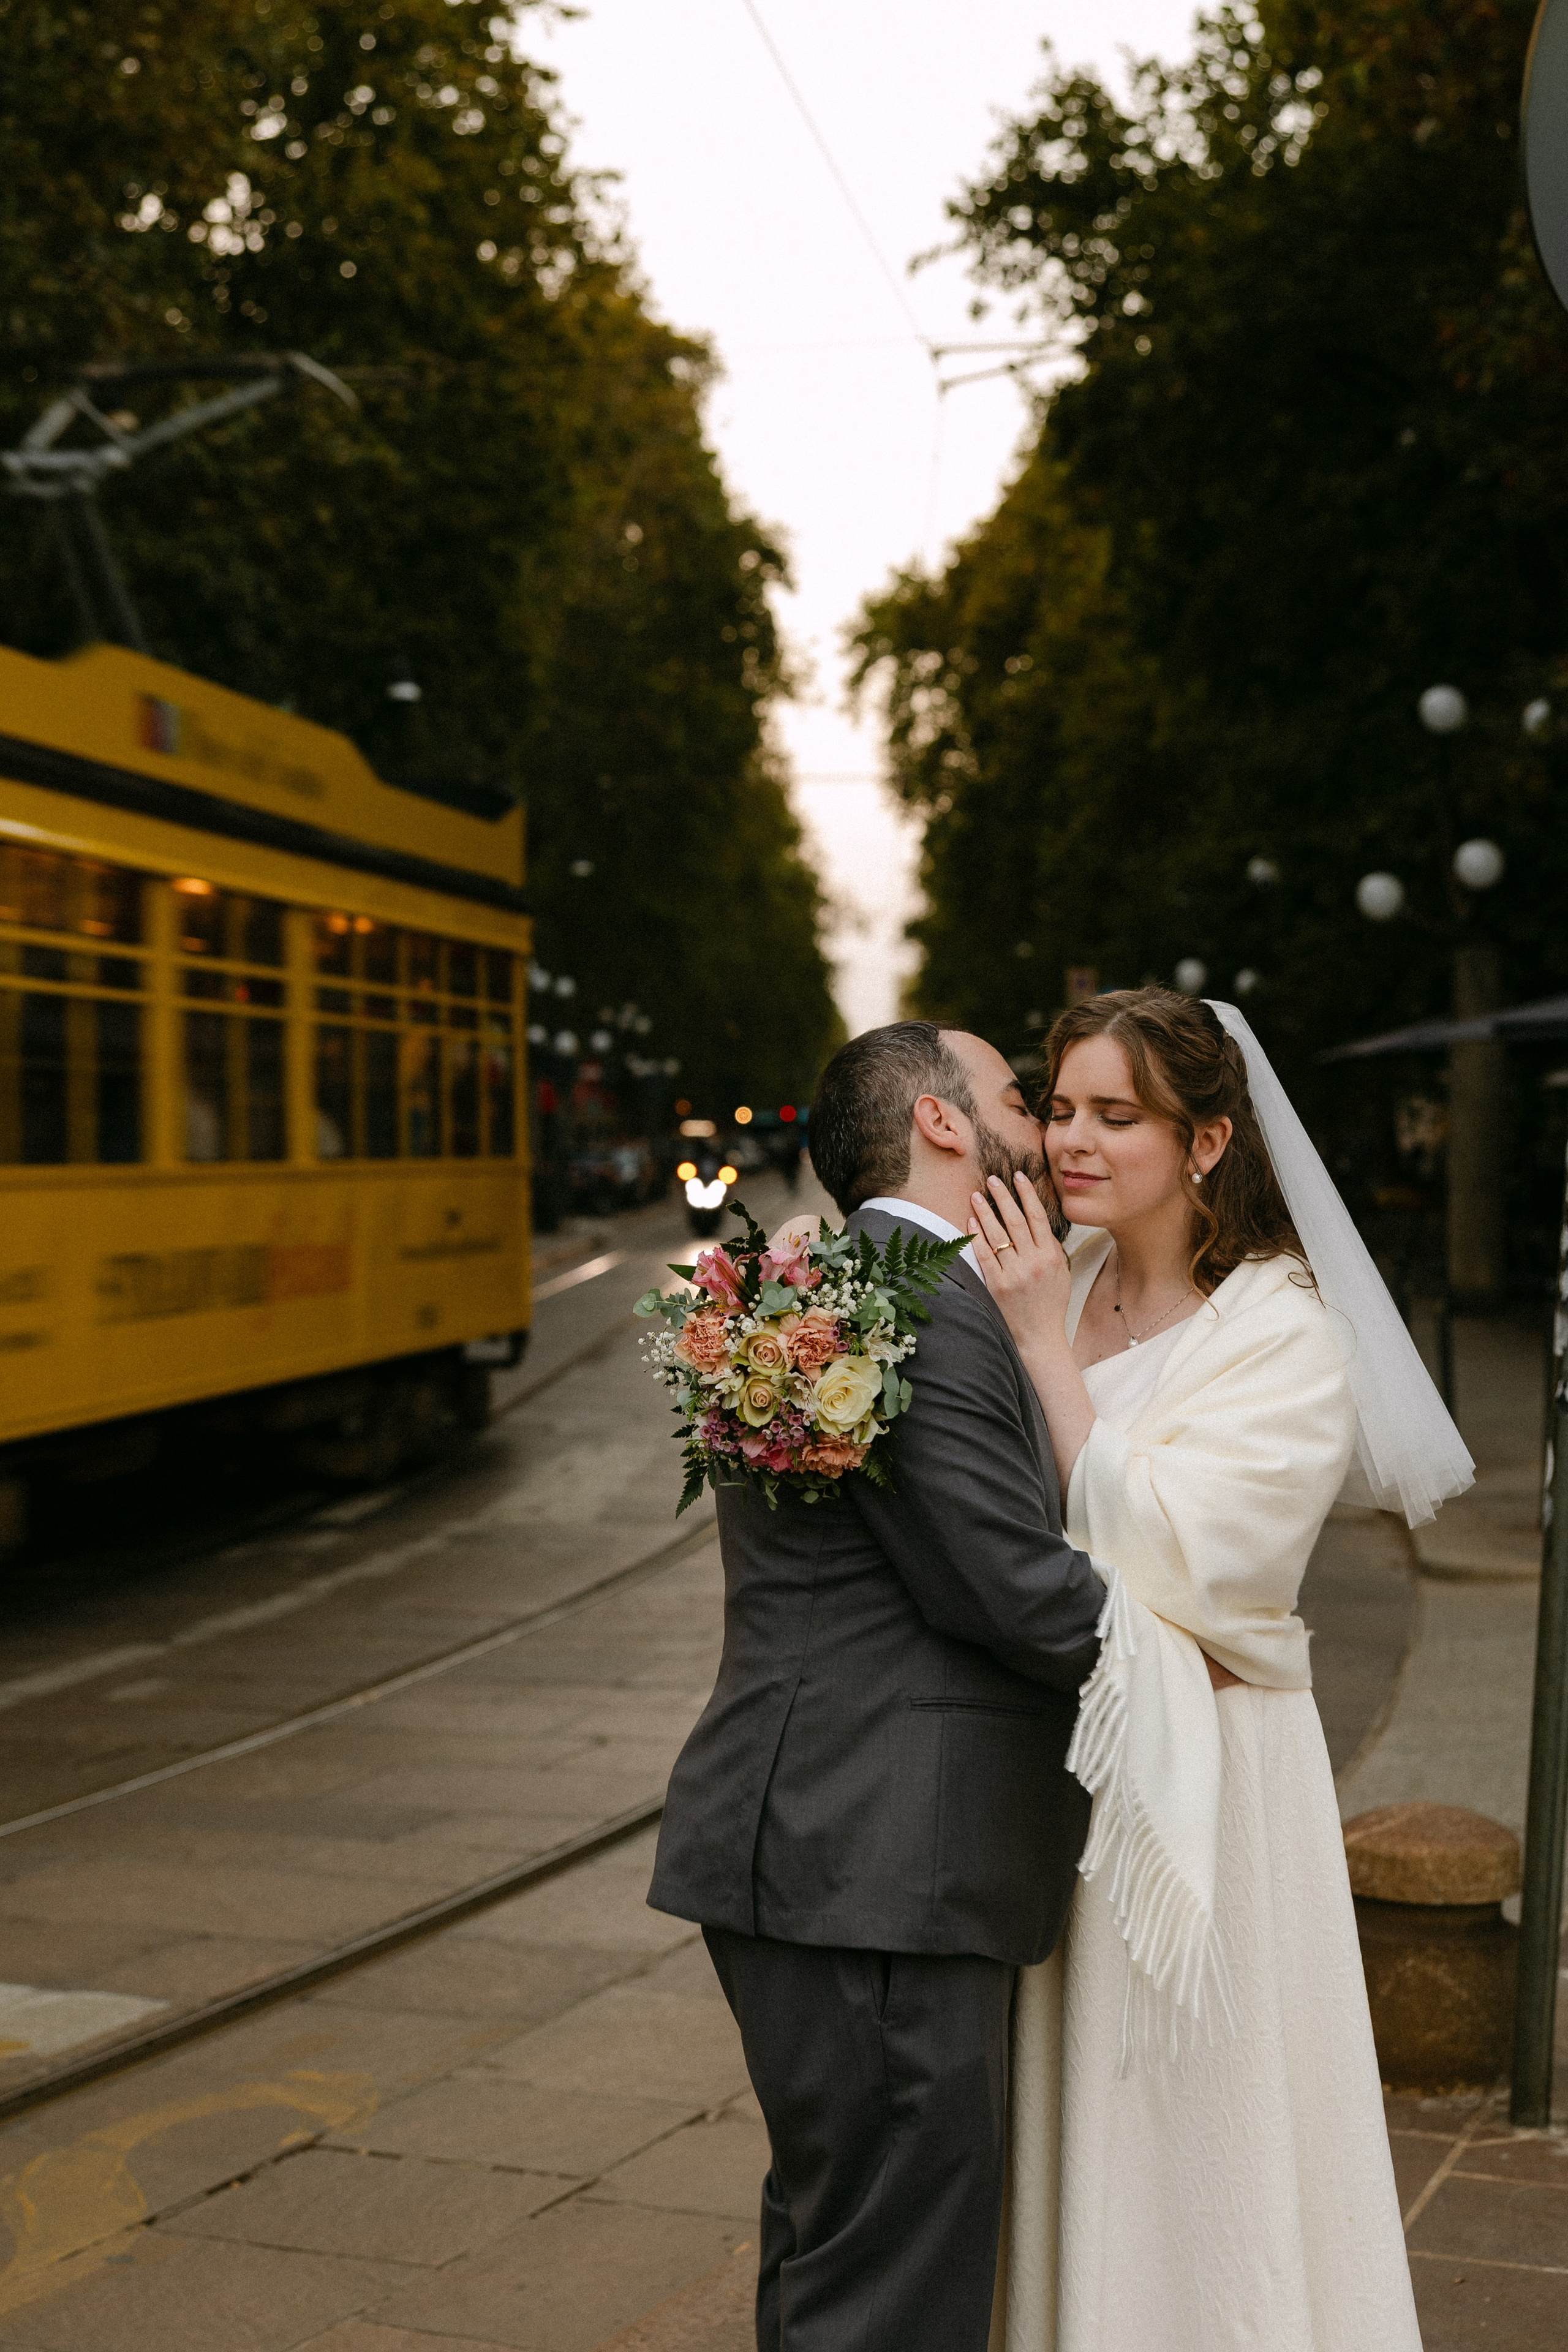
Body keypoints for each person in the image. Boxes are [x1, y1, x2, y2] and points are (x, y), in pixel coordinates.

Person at [965, 987, 1471, 2352]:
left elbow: (1184, 1555)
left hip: (1213, 1780)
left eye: (1113, 1115)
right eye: (1059, 1106)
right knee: (1078, 2107)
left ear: (1203, 1144)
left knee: (1200, 2111)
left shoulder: (1283, 1329)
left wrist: (1034, 1355)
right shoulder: (1045, 1275)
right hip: (1053, 1771)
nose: (1070, 1139)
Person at [647, 1020, 1107, 2352]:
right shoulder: (925, 1303)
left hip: (823, 1846)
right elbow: (1007, 1589)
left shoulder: (847, 1283)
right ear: (944, 1123)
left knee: (838, 2244)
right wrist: (1197, 1652)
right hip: (882, 1869)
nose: (1047, 1127)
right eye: (1022, 1099)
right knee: (893, 2284)